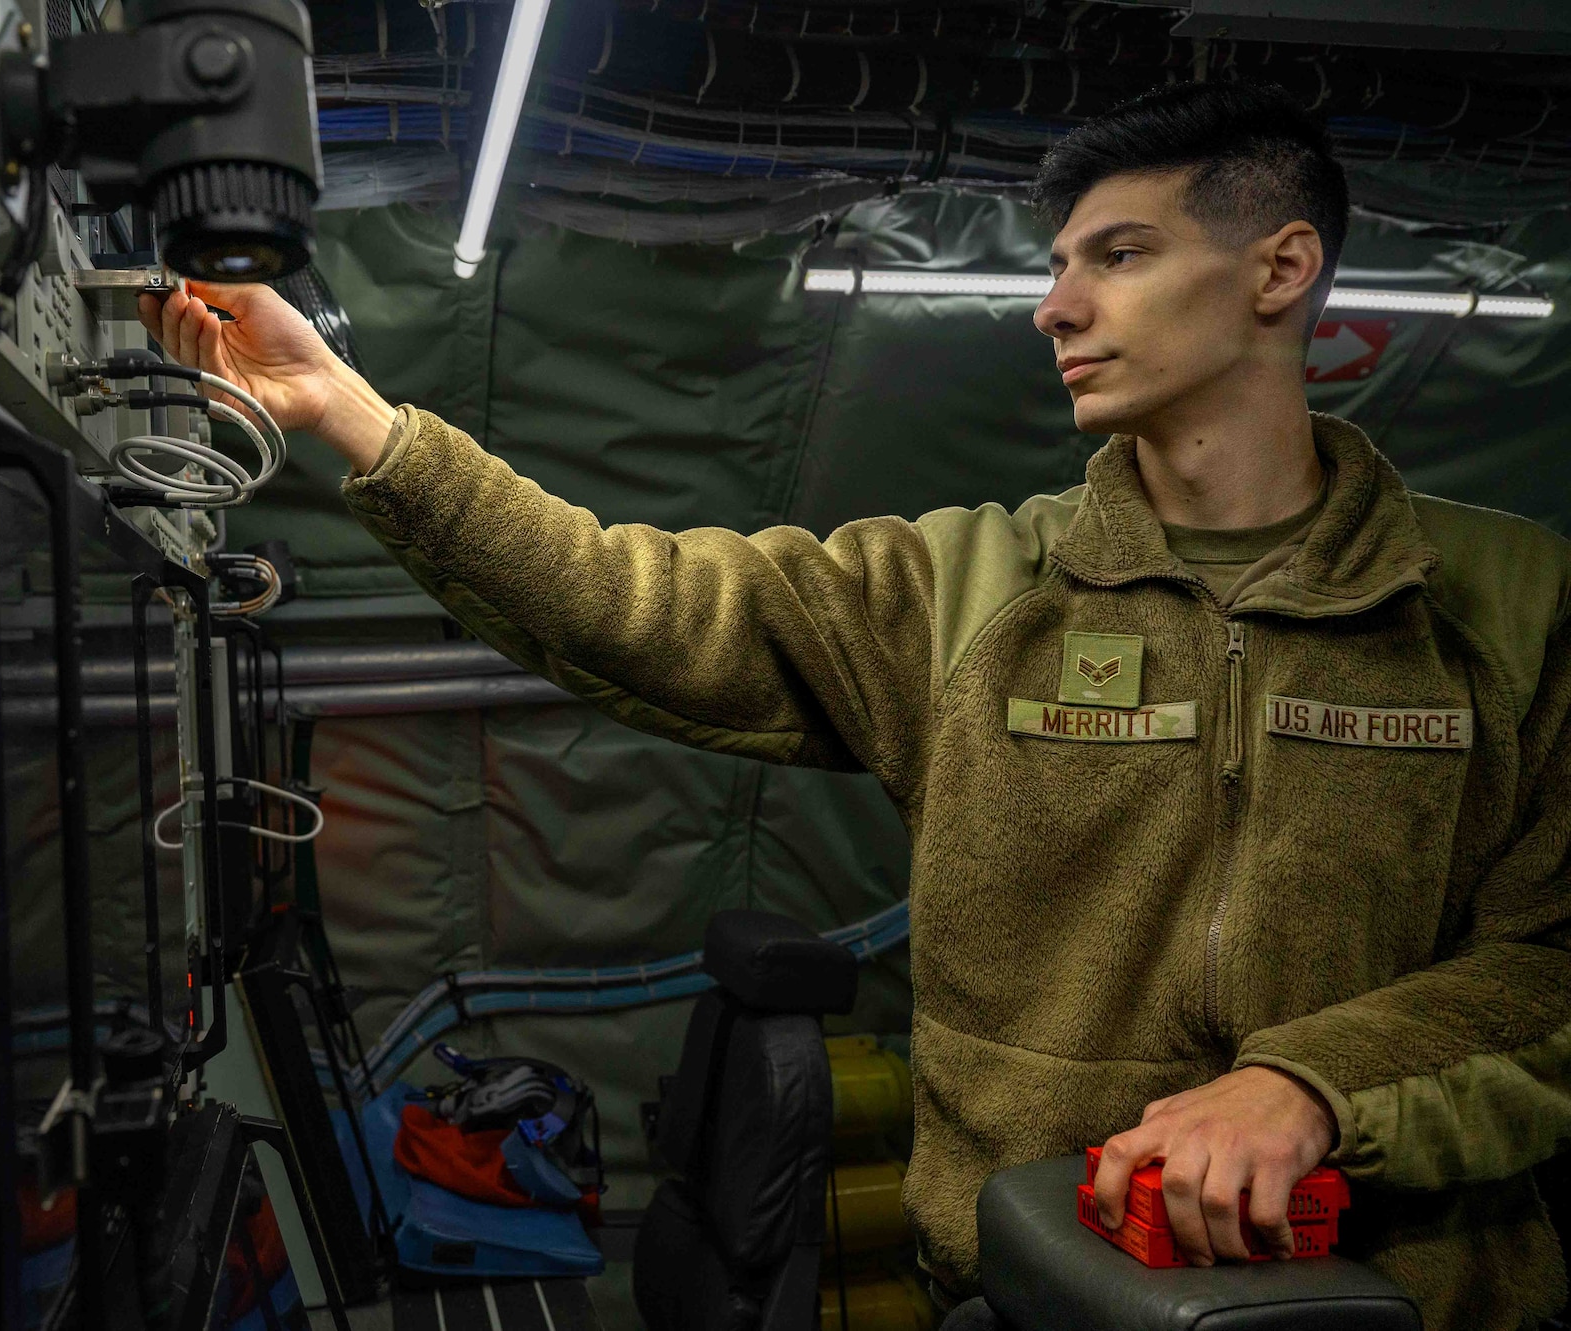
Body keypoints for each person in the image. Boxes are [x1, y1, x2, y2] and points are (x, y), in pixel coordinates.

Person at [141, 82, 1571, 1330]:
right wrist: (349, 416)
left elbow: (1550, 960)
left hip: (1419, 1298)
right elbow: (637, 602)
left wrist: (1315, 1089)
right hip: (1044, 1286)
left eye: (1120, 256)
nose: (1056, 306)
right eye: (1056, 265)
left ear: (1283, 269)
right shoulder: (963, 592)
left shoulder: (1504, 609)